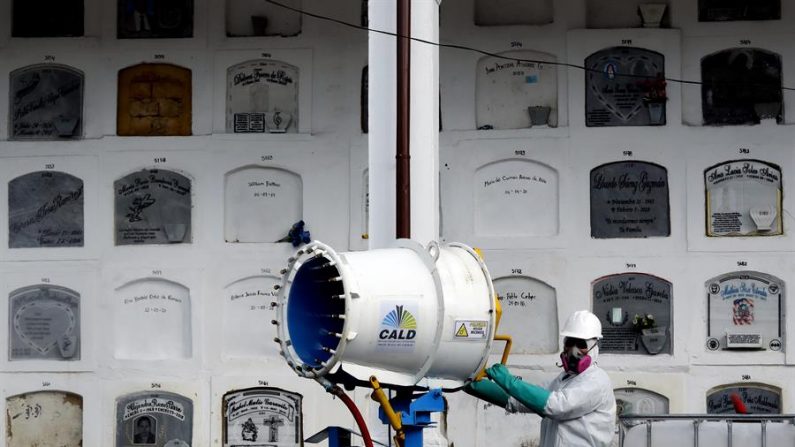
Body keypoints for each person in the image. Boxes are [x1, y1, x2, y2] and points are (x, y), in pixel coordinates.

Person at [466, 310, 616, 447]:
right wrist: (469, 383)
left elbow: (555, 406)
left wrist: (509, 381)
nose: (573, 351)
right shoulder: (564, 379)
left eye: (581, 344)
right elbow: (521, 401)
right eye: (569, 343)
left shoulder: (597, 381)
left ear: (595, 347)